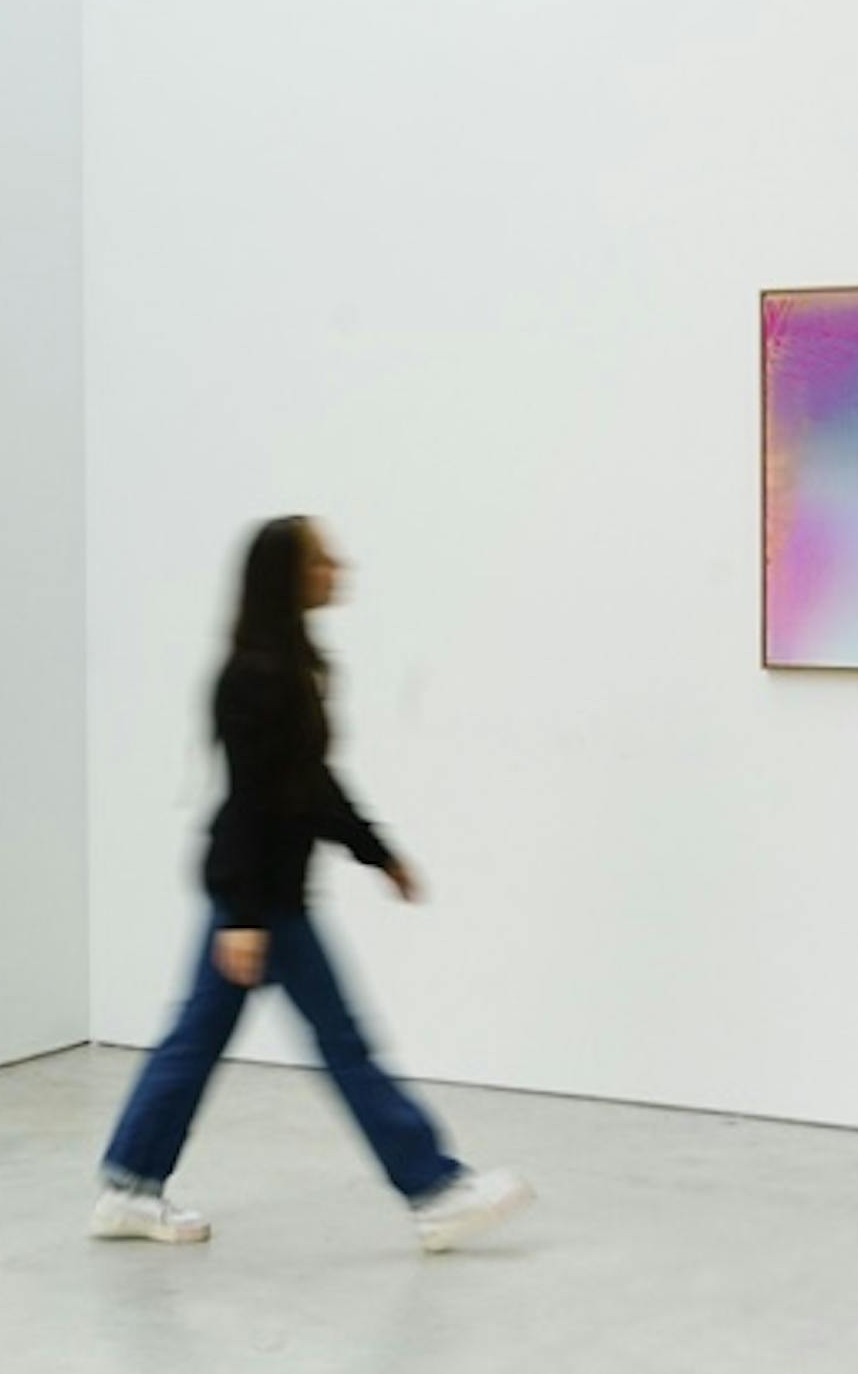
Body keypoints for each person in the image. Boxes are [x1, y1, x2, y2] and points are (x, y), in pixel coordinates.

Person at [90, 515, 532, 1253]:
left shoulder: (295, 668)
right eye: (324, 560)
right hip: (261, 903)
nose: (339, 568)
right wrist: (241, 915)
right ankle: (433, 1190)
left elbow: (311, 785)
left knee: (200, 1042)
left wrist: (377, 853)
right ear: (288, 577)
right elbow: (249, 802)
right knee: (342, 1045)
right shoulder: (254, 677)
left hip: (264, 900)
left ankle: (130, 1183)